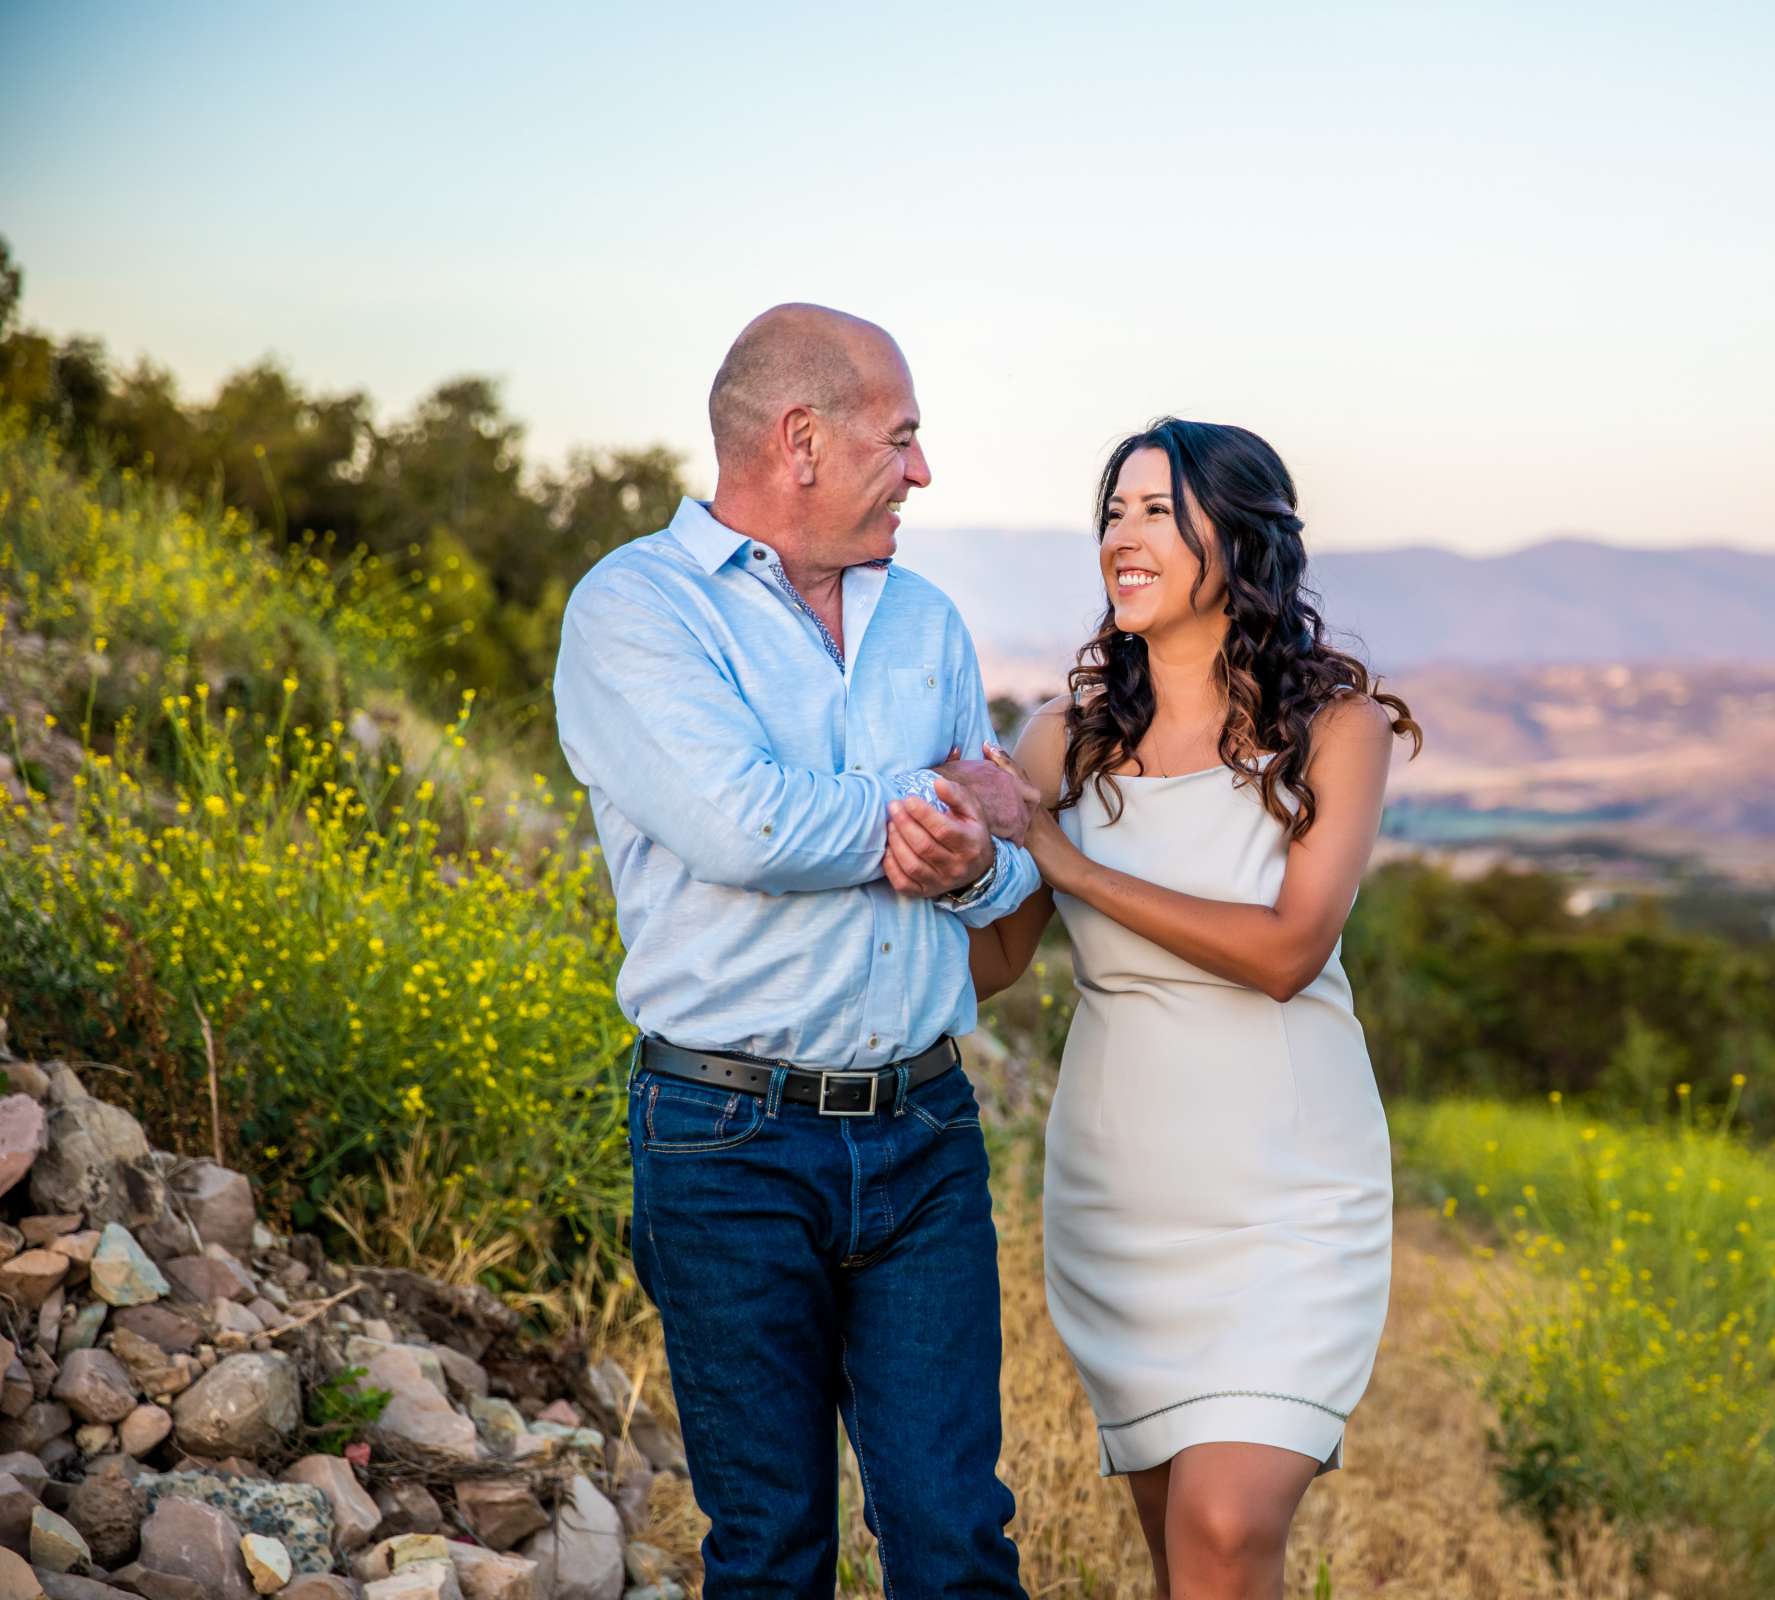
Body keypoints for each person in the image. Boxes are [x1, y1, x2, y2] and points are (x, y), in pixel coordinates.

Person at [553, 304, 1037, 1599]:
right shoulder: (634, 610)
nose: (924, 471)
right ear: (803, 440)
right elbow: (741, 821)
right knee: (771, 1552)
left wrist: (982, 856)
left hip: (926, 1132)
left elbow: (1004, 845)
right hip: (727, 1145)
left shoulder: (926, 621)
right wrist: (923, 806)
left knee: (958, 1538)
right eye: (905, 438)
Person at [943, 418, 1420, 1600]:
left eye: (1159, 510)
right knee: (1188, 1564)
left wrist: (1063, 854)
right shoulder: (1066, 738)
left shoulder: (1336, 731)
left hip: (1288, 1198)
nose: (1125, 535)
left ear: (1241, 537)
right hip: (1122, 1206)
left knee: (1222, 1525)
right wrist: (950, 860)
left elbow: (1288, 953)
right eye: (1114, 512)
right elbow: (997, 960)